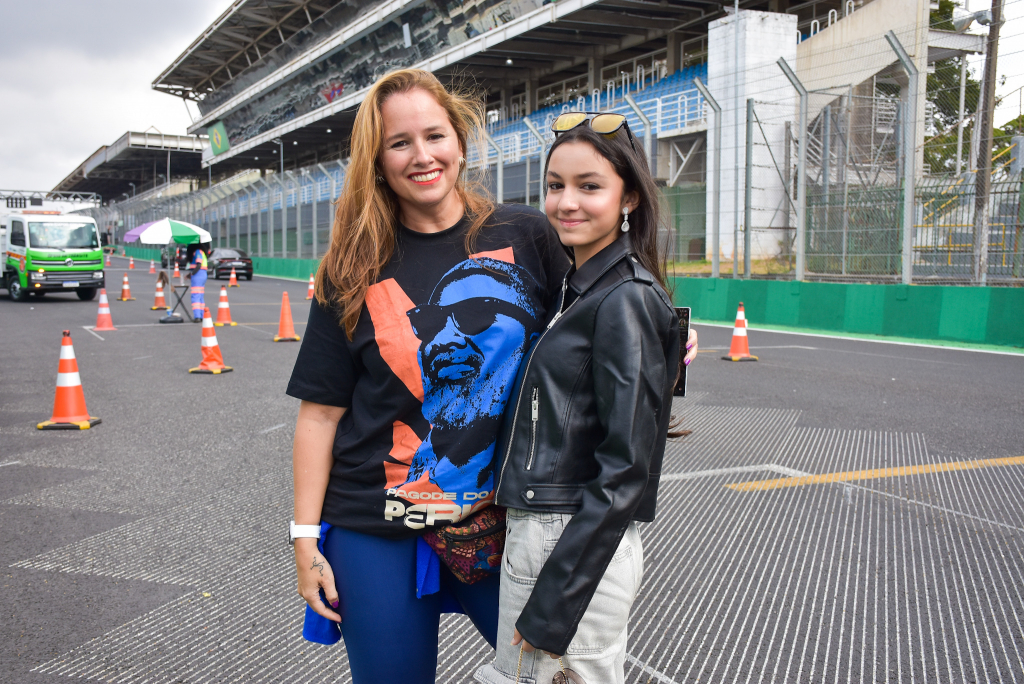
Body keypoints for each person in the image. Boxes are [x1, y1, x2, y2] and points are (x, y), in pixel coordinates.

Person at [284, 68, 569, 683]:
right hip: (375, 520)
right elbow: (321, 413)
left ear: (460, 140)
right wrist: (305, 540)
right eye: (399, 143)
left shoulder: (528, 236)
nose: (422, 156)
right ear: (377, 161)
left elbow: (597, 322)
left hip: (504, 514)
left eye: (434, 135)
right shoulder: (351, 266)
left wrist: (662, 342)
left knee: (550, 674)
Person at [475, 112, 698, 684]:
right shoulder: (580, 287)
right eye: (555, 185)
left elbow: (626, 470)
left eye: (589, 186)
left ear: (628, 199)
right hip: (548, 533)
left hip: (565, 542)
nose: (566, 201)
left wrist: (554, 606)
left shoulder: (623, 297)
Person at [187, 242, 209, 322]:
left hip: (198, 275)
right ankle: (202, 315)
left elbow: (198, 264)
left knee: (195, 296)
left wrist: (192, 273)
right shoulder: (202, 252)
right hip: (202, 274)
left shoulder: (197, 252)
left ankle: (197, 316)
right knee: (200, 296)